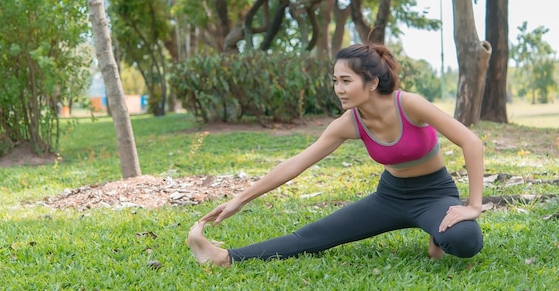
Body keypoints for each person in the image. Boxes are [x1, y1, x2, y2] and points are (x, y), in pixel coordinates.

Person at [187, 43, 484, 267]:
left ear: (371, 83)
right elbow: (296, 164)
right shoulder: (349, 122)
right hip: (390, 197)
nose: (338, 89)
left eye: (346, 81)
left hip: (434, 194)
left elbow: (471, 142)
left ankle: (436, 231)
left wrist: (473, 206)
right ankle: (224, 258)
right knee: (312, 237)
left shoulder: (409, 104)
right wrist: (240, 199)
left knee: (465, 240)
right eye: (335, 81)